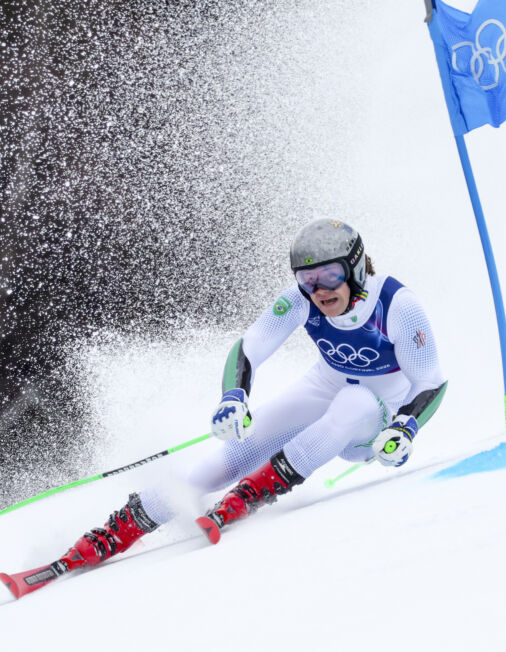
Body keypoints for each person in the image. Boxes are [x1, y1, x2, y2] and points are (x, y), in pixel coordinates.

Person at [58, 219, 447, 567]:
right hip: (327, 384)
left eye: (329, 275)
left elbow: (431, 381)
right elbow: (249, 346)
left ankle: (251, 494)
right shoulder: (299, 300)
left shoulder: (397, 305)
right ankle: (122, 528)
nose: (319, 290)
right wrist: (234, 397)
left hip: (376, 419)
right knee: (233, 454)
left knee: (354, 402)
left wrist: (404, 429)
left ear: (356, 268)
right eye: (308, 280)